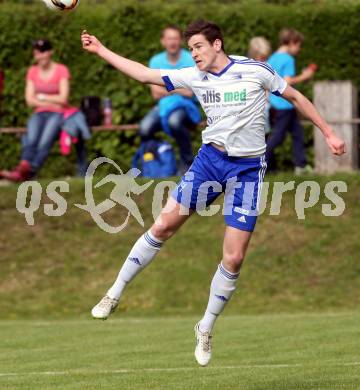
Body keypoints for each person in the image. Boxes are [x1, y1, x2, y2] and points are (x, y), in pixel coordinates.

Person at [81, 20, 345, 367]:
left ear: (217, 44)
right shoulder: (195, 75)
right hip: (210, 162)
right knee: (162, 226)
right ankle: (114, 293)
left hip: (247, 170)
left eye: (199, 47)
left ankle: (205, 327)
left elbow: (294, 96)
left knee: (234, 258)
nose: (194, 54)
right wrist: (101, 50)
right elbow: (146, 74)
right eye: (191, 49)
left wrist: (328, 133)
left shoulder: (256, 71)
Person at [0, 39, 70, 182]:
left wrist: (42, 96)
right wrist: (52, 99)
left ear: (50, 52)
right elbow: (29, 100)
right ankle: (25, 167)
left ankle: (26, 172)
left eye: (43, 52)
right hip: (39, 113)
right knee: (31, 139)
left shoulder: (61, 70)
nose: (40, 56)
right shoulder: (32, 71)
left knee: (45, 141)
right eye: (37, 53)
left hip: (57, 113)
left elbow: (63, 99)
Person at [139, 25, 200, 174]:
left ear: (180, 41)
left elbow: (190, 92)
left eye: (175, 38)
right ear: (163, 41)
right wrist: (179, 88)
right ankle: (157, 161)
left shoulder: (191, 59)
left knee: (175, 122)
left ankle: (187, 163)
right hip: (163, 106)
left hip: (186, 106)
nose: (172, 42)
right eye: (169, 38)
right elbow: (155, 93)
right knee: (144, 128)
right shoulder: (156, 61)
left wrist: (165, 87)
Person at [266, 28, 316, 174]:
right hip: (285, 104)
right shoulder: (288, 59)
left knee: (297, 133)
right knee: (277, 137)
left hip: (274, 103)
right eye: (299, 46)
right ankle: (259, 164)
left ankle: (300, 166)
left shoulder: (272, 58)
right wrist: (305, 76)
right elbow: (287, 82)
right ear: (292, 43)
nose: (299, 50)